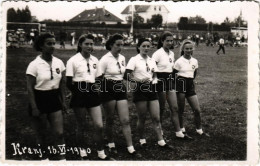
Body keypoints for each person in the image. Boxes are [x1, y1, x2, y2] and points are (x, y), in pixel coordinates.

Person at [66, 34, 111, 160]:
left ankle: (101, 151)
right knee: (82, 125)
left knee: (99, 125)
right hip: (79, 93)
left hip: (92, 92)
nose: (90, 46)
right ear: (80, 45)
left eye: (91, 44)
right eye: (87, 44)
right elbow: (69, 82)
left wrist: (96, 87)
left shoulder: (95, 60)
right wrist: (76, 92)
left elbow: (99, 77)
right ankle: (82, 150)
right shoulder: (73, 61)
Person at [124, 38, 173, 150]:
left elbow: (154, 74)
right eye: (144, 46)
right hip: (140, 90)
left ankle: (161, 141)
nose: (146, 48)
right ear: (139, 47)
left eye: (148, 46)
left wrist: (154, 80)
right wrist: (137, 81)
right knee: (142, 117)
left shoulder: (151, 60)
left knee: (156, 117)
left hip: (151, 89)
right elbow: (126, 75)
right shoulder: (134, 59)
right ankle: (142, 139)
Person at [96, 34, 141, 157]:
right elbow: (98, 77)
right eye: (118, 45)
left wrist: (137, 79)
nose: (120, 47)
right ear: (111, 45)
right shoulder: (104, 59)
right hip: (108, 88)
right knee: (110, 119)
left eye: (122, 44)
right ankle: (110, 144)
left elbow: (124, 74)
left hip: (120, 88)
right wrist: (102, 89)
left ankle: (130, 147)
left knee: (125, 120)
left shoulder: (122, 57)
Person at [26, 33, 67, 160]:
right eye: (49, 43)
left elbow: (62, 84)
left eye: (54, 43)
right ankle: (44, 159)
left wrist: (63, 102)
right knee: (42, 134)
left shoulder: (59, 62)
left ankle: (62, 160)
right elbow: (29, 88)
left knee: (59, 133)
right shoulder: (34, 65)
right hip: (40, 99)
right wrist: (34, 107)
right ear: (41, 46)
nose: (52, 46)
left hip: (54, 100)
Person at [152, 31, 192, 140]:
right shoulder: (157, 54)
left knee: (174, 107)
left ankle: (178, 132)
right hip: (160, 81)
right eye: (167, 41)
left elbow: (171, 69)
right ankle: (160, 130)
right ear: (162, 41)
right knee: (161, 108)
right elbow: (152, 68)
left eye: (171, 40)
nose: (169, 42)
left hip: (170, 81)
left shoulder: (171, 53)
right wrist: (155, 80)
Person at [174, 39, 210, 137]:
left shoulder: (195, 61)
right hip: (180, 84)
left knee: (197, 109)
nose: (189, 50)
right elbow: (173, 75)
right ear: (183, 49)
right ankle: (181, 129)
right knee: (181, 109)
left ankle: (199, 130)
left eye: (190, 48)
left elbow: (194, 73)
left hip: (190, 85)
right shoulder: (179, 61)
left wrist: (190, 82)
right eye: (186, 49)